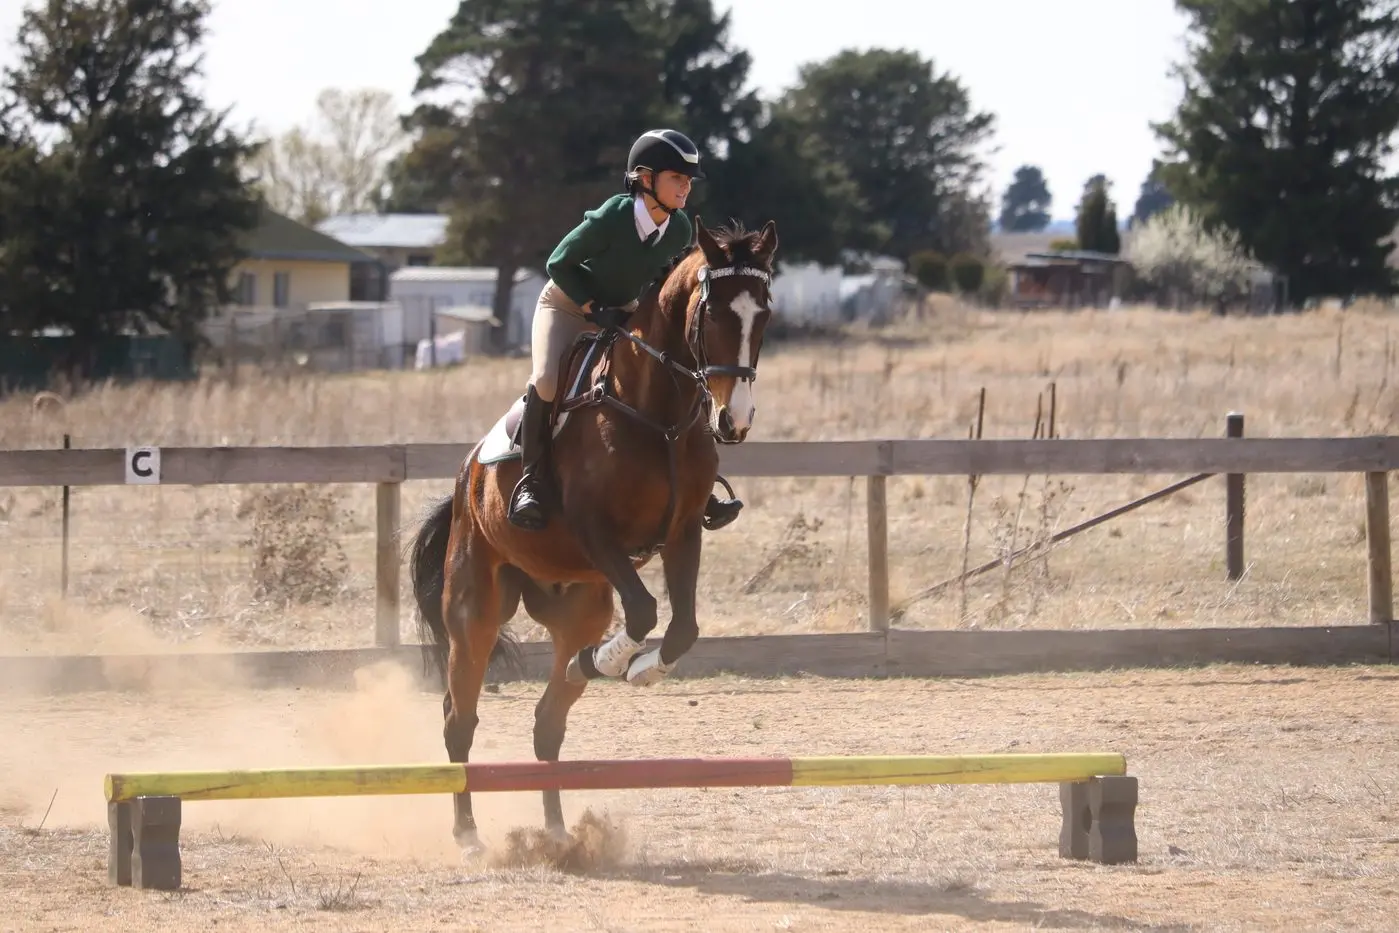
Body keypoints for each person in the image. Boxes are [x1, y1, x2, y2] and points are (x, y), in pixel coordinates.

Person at [508, 128, 744, 533]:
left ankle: (701, 488)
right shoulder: (613, 217)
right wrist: (592, 308)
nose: (686, 187)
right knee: (546, 380)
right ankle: (531, 481)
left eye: (689, 180)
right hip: (567, 304)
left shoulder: (680, 229)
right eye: (677, 178)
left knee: (676, 375)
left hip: (622, 311)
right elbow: (559, 263)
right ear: (646, 179)